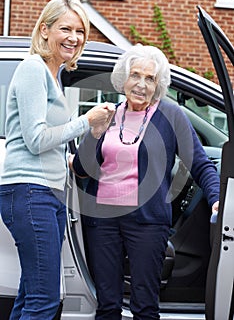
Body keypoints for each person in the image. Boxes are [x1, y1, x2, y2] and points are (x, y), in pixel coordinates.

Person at [69, 44, 220, 320]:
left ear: (158, 84)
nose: (140, 84)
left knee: (145, 306)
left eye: (150, 78)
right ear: (123, 79)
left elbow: (200, 163)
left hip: (148, 223)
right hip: (102, 220)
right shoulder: (108, 114)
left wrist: (217, 198)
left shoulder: (171, 116)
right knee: (107, 305)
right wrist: (93, 133)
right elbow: (82, 168)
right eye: (135, 75)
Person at [0, 0, 115, 320]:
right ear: (45, 29)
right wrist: (86, 121)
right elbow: (35, 140)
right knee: (44, 301)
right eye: (66, 28)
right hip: (30, 192)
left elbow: (46, 140)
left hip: (45, 192)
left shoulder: (53, 75)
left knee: (30, 295)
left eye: (80, 31)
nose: (74, 37)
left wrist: (79, 151)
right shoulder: (33, 70)